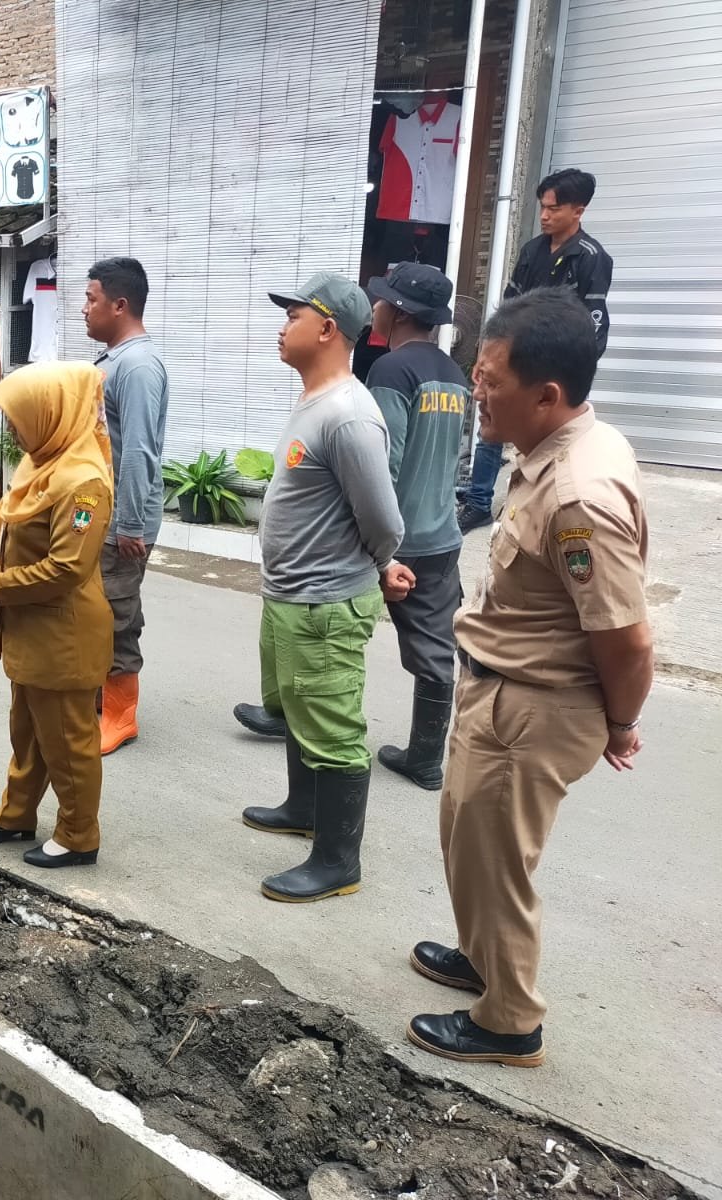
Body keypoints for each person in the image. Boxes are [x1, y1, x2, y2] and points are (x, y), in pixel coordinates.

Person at [408, 288, 651, 1067]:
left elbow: (626, 639)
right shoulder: (555, 449)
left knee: (497, 862)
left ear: (546, 395)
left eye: (490, 381)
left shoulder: (579, 495)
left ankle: (510, 1021)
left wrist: (621, 723)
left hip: (533, 708)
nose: (476, 392)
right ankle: (482, 958)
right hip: (502, 689)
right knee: (466, 838)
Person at [236, 273, 411, 903]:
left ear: (328, 328)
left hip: (324, 602)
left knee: (331, 725)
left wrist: (381, 562)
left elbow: (383, 521)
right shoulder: (316, 400)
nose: (283, 326)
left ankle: (338, 862)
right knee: (297, 705)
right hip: (292, 594)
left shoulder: (349, 416)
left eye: (294, 315)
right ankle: (302, 809)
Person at [0, 363, 114, 869]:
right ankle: (16, 815)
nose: (11, 427)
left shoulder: (82, 482)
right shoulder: (43, 464)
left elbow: (68, 567)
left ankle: (78, 834)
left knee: (68, 743)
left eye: (18, 416)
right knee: (27, 733)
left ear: (50, 413)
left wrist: (2, 586)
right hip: (32, 629)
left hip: (63, 635)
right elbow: (18, 533)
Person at [460, 168, 612, 534]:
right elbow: (508, 308)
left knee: (550, 437)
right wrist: (487, 355)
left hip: (557, 368)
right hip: (517, 360)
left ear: (578, 210)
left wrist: (573, 374)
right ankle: (478, 502)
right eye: (542, 207)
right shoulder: (532, 251)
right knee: (491, 419)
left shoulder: (592, 258)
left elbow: (594, 323)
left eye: (553, 208)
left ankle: (542, 502)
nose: (544, 216)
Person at [364, 263, 469, 791]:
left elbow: (380, 463)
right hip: (442, 536)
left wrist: (374, 543)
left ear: (399, 312)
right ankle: (426, 757)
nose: (375, 306)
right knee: (435, 651)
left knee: (327, 628)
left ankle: (292, 718)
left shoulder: (391, 371)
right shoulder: (454, 374)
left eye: (382, 299)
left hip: (396, 537)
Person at [83, 257, 168, 756]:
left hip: (122, 521)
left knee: (117, 613)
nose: (84, 308)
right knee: (97, 610)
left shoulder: (136, 366)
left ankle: (120, 716)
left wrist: (130, 524)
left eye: (91, 299)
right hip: (105, 513)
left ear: (119, 305)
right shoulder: (116, 359)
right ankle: (99, 698)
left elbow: (138, 450)